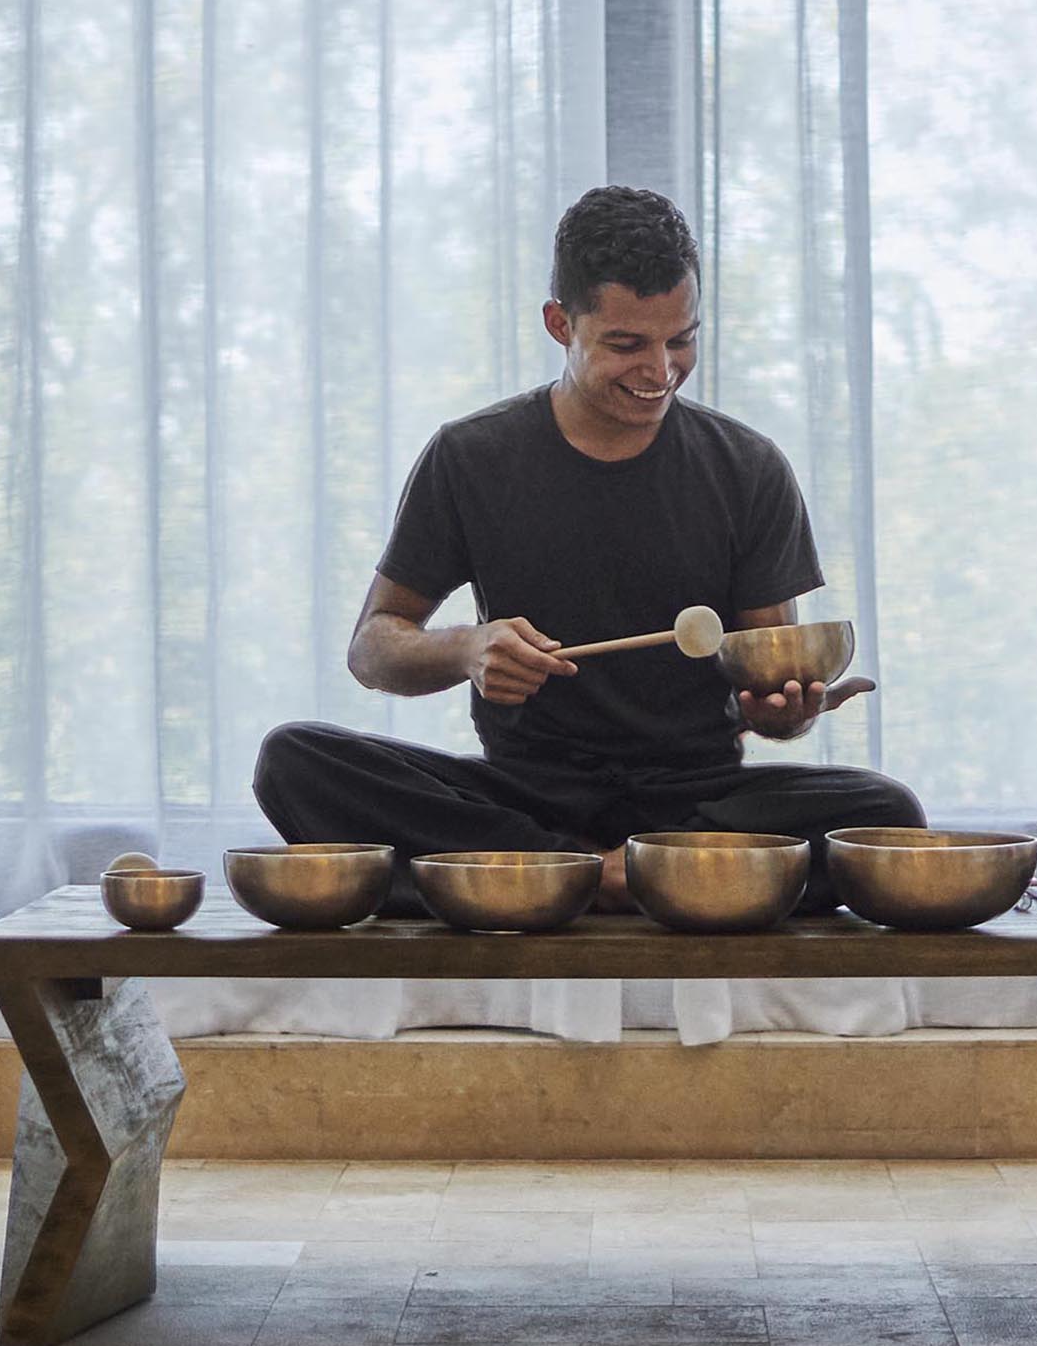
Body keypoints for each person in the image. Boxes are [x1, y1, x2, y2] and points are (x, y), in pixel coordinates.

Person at [255, 183, 924, 910]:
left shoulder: (747, 466)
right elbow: (372, 650)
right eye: (627, 344)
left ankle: (537, 881)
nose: (660, 371)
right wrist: (465, 650)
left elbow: (766, 677)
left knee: (883, 812)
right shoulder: (470, 456)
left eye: (682, 339)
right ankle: (602, 875)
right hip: (523, 795)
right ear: (558, 323)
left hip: (694, 805)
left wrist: (781, 714)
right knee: (294, 762)